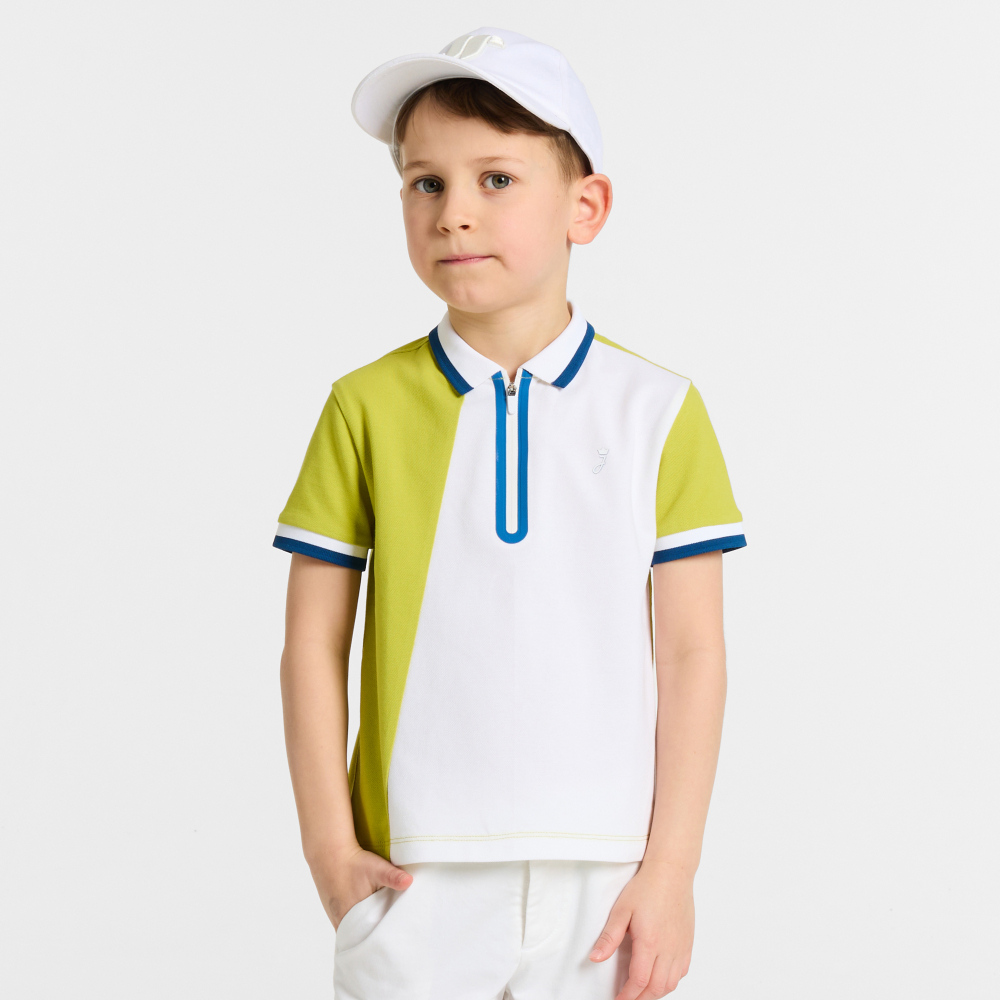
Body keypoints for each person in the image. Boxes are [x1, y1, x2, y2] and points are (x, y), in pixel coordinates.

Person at [274, 26, 746, 1000]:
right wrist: (329, 850)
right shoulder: (363, 406)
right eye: (426, 182)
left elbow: (692, 651)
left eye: (495, 179)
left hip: (607, 878)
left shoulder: (659, 410)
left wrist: (671, 869)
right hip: (413, 871)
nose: (453, 212)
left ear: (586, 206)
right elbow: (312, 644)